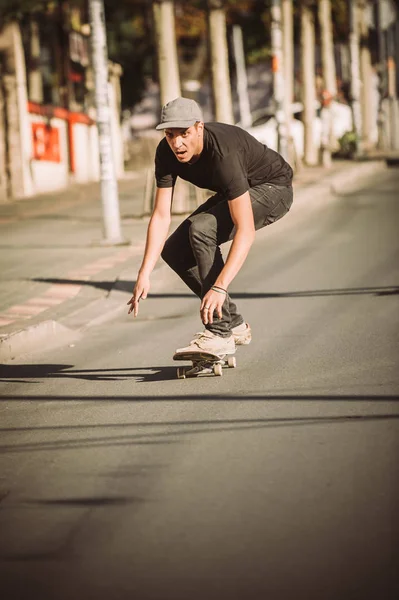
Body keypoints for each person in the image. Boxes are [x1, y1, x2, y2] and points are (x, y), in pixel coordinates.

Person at [127, 97, 293, 357]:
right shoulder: (165, 152)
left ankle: (219, 332)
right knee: (174, 249)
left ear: (199, 128)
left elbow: (245, 230)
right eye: (171, 135)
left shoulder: (223, 152)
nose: (177, 143)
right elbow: (161, 215)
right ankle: (234, 324)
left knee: (202, 228)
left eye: (185, 134)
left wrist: (220, 286)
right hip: (238, 191)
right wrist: (144, 273)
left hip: (274, 188)